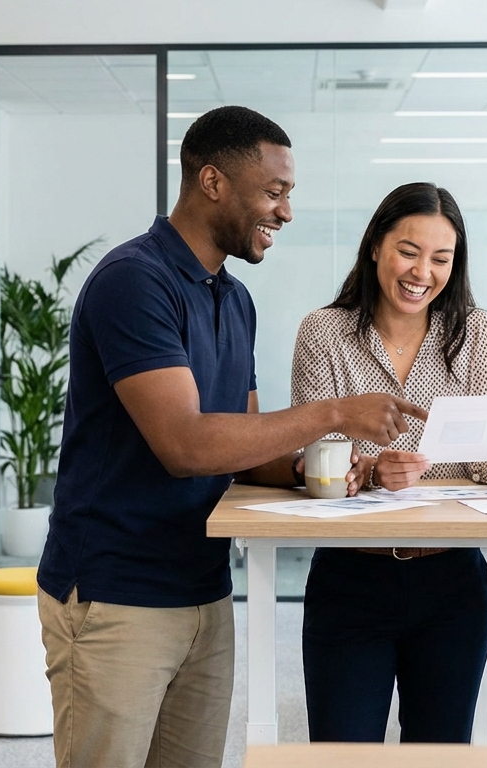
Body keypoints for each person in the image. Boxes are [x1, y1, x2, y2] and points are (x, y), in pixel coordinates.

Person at [37, 105, 427, 768]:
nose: (285, 212)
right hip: (116, 593)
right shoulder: (134, 282)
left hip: (204, 586)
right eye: (274, 193)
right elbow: (185, 444)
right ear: (213, 182)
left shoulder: (233, 297)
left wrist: (312, 471)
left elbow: (245, 444)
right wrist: (335, 413)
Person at [290, 182, 487, 743]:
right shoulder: (323, 332)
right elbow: (318, 460)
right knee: (342, 753)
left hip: (451, 578)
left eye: (441, 258)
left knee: (440, 752)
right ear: (376, 245)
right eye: (408, 250)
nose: (422, 271)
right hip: (352, 576)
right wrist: (373, 472)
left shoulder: (473, 333)